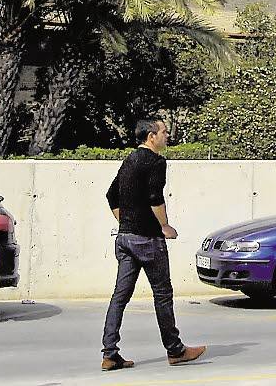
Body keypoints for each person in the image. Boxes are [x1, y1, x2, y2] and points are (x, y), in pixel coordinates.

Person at [101, 117, 205, 372]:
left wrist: (126, 221)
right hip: (148, 240)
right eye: (164, 132)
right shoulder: (156, 161)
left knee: (120, 296)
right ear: (151, 137)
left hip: (124, 238)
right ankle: (175, 350)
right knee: (162, 294)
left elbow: (111, 194)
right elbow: (155, 197)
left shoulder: (130, 160)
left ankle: (109, 354)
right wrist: (164, 226)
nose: (167, 136)